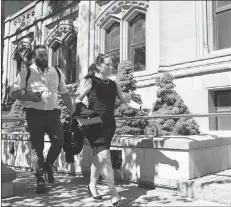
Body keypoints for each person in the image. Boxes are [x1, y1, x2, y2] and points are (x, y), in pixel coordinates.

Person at [75, 54, 149, 206]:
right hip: (94, 124)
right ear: (99, 66)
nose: (111, 67)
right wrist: (85, 114)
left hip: (109, 124)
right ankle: (113, 192)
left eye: (112, 64)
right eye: (107, 64)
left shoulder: (114, 84)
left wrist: (141, 107)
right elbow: (76, 99)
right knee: (104, 155)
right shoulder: (91, 81)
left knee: (100, 156)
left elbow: (126, 100)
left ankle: (91, 186)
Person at [11, 45, 74, 194]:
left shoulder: (56, 71)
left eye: (46, 55)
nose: (44, 58)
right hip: (34, 114)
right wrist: (29, 96)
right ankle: (40, 178)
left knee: (59, 142)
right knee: (37, 148)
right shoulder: (25, 72)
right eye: (41, 56)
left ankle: (47, 167)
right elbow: (14, 93)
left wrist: (72, 111)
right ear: (34, 57)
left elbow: (64, 92)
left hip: (53, 114)